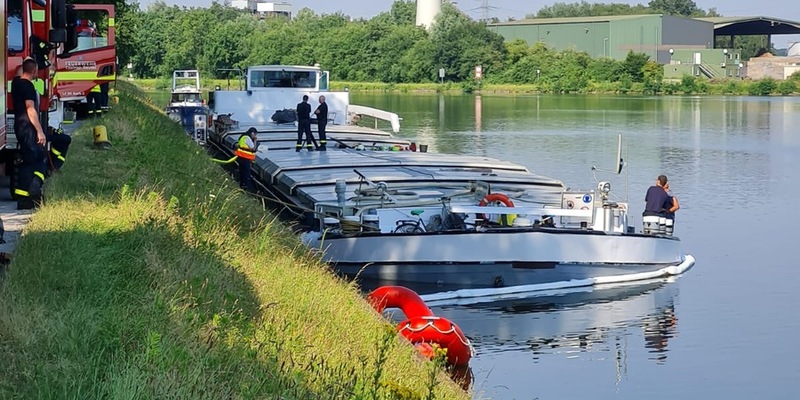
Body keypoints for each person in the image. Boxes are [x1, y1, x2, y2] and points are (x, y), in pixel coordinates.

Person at [11, 57, 48, 209]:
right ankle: (31, 191)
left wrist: (27, 61)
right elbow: (30, 109)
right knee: (36, 158)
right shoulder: (28, 87)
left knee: (30, 158)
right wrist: (40, 131)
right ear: (34, 71)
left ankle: (26, 197)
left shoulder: (16, 83)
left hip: (20, 126)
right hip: (28, 127)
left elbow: (20, 71)